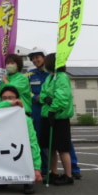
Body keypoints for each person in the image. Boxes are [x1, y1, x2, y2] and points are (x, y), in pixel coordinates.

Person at [27, 47, 81, 179]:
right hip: (39, 110)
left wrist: (52, 105)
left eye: (37, 57)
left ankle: (73, 169)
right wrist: (36, 97)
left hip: (55, 110)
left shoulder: (55, 74)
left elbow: (62, 96)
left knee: (64, 143)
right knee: (43, 141)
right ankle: (47, 169)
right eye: (33, 58)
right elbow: (25, 91)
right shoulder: (30, 74)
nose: (35, 60)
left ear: (45, 58)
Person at [0, 86, 42, 195]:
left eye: (11, 98)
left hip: (18, 153)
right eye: (4, 98)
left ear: (18, 99)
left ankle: (27, 179)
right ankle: (3, 177)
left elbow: (33, 143)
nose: (8, 100)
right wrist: (8, 104)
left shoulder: (26, 120)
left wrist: (36, 168)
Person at [39, 53, 75, 186]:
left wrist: (52, 109)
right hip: (48, 115)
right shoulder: (50, 77)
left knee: (62, 148)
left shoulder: (61, 77)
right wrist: (45, 99)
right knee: (50, 147)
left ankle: (68, 175)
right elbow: (42, 94)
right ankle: (53, 172)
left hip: (58, 117)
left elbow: (62, 98)